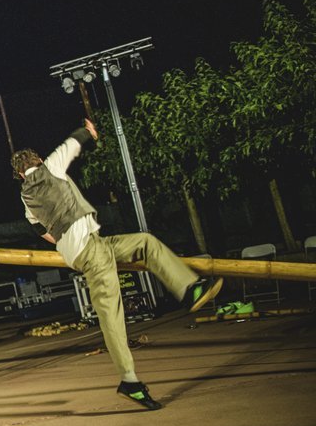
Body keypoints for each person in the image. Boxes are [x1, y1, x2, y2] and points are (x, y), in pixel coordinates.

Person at [13, 118, 223, 411]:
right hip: (91, 250)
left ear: (20, 174)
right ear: (37, 161)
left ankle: (190, 289)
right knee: (111, 313)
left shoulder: (25, 197)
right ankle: (129, 381)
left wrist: (64, 241)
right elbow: (71, 144)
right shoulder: (51, 167)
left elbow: (39, 230)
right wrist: (88, 131)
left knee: (144, 243)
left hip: (89, 247)